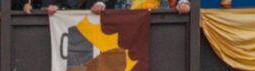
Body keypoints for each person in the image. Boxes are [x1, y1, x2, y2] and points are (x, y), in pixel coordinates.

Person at [44, 0, 190, 15]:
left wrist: (183, 3)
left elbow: (181, 2)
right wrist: (100, 4)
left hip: (157, 25)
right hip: (125, 25)